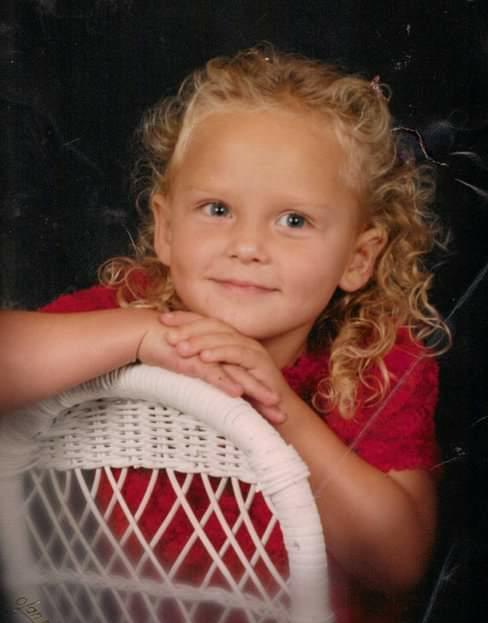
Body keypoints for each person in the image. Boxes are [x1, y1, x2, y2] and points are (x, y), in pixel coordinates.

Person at [0, 46, 449, 622]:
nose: (247, 246)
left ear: (358, 258)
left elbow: (397, 562)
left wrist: (277, 403)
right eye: (217, 209)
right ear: (166, 229)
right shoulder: (134, 306)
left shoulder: (374, 358)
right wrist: (143, 334)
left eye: (294, 221)